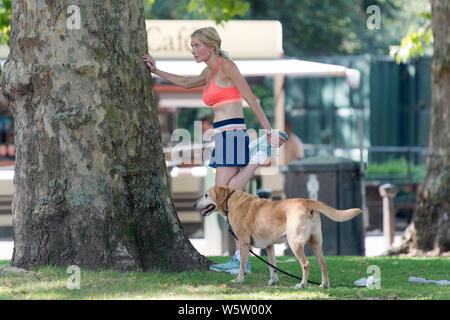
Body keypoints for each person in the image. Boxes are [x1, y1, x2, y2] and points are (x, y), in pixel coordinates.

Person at [142, 27, 287, 274]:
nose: (193, 50)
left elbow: (251, 98)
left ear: (212, 46)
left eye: (197, 45)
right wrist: (156, 71)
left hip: (233, 133)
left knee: (225, 196)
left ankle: (260, 154)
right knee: (226, 199)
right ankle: (242, 260)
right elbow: (187, 83)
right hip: (222, 137)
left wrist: (269, 130)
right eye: (192, 46)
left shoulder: (226, 65)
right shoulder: (208, 72)